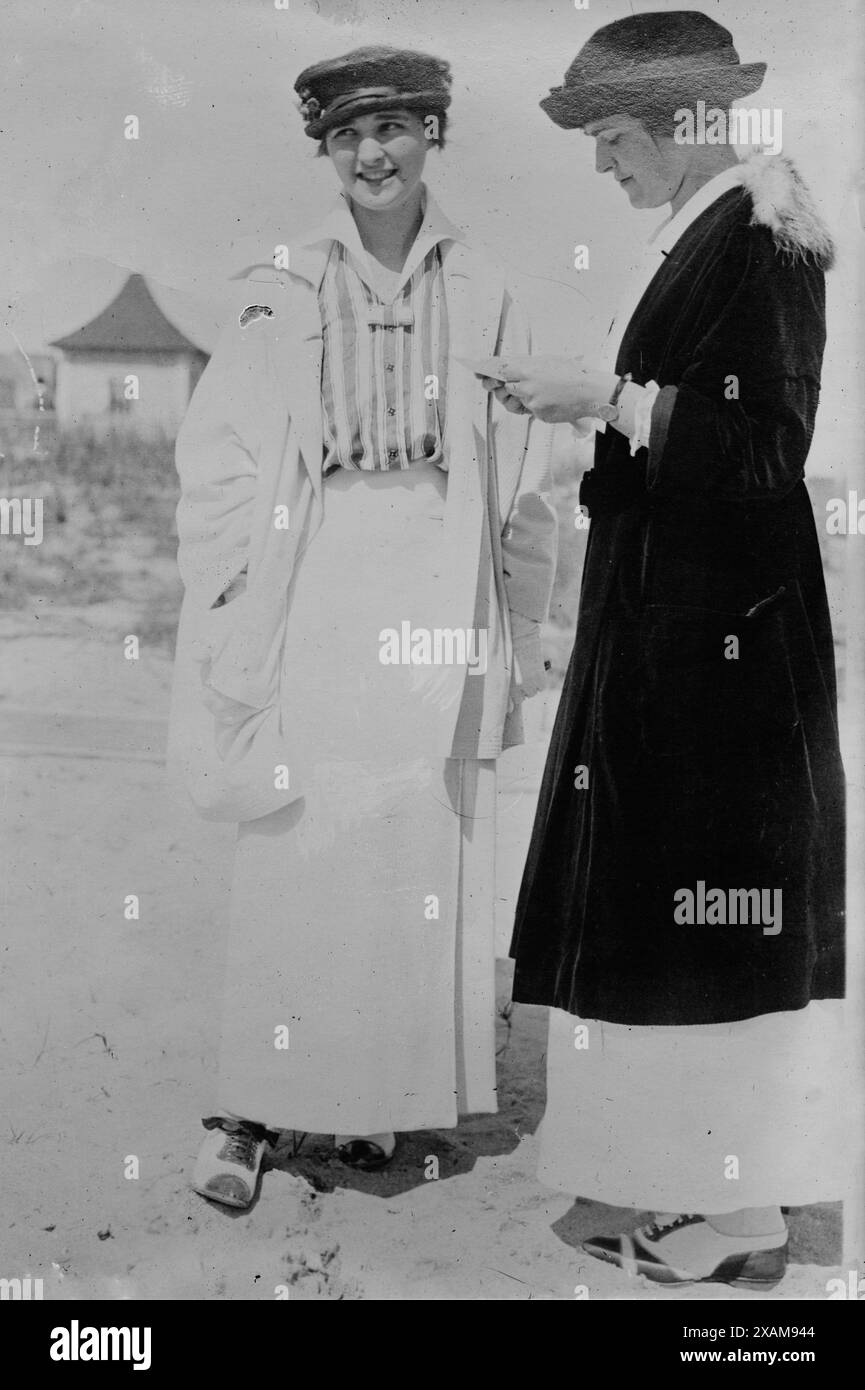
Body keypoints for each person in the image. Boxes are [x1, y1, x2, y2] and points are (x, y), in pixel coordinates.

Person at [485, 12, 847, 1288]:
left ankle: (734, 1220)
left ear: (691, 123)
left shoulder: (761, 237)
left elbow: (762, 450)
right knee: (676, 912)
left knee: (715, 922)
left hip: (727, 647)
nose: (602, 164)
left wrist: (612, 399)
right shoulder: (717, 233)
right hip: (680, 627)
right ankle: (688, 1190)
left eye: (617, 136)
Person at [166, 45, 557, 1209]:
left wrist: (521, 629)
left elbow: (528, 488)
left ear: (434, 133)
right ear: (324, 152)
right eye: (346, 137)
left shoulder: (487, 289)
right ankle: (246, 1116)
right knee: (293, 841)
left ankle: (375, 1103)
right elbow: (223, 457)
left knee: (407, 851)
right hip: (316, 574)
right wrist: (232, 596)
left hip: (438, 584)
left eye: (393, 129)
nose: (371, 155)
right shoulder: (279, 283)